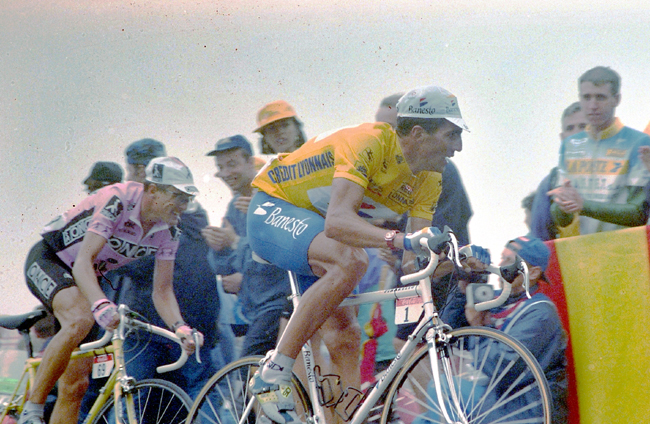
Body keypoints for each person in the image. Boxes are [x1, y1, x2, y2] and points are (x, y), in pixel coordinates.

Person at [245, 85, 479, 423]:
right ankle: (272, 374)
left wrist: (460, 264)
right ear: (417, 133)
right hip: (274, 208)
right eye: (452, 134)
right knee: (352, 260)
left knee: (346, 334)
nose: (458, 146)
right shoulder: (369, 142)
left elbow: (416, 260)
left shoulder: (429, 178)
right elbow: (339, 222)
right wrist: (400, 240)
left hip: (317, 232)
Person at [21, 156, 202, 424]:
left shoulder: (170, 231)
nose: (183, 206)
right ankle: (31, 411)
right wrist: (100, 304)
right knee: (81, 318)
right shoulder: (119, 200)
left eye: (187, 198)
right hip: (51, 259)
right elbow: (82, 261)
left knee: (76, 386)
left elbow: (162, 291)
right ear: (152, 190)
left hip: (84, 279)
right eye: (177, 196)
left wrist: (180, 327)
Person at [440, 236, 568, 423]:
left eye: (509, 261)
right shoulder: (496, 299)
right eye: (501, 258)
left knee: (441, 389)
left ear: (532, 273)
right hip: (500, 401)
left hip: (528, 411)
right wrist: (464, 286)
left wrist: (479, 328)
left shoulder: (540, 313)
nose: (500, 266)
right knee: (431, 408)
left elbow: (501, 370)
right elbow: (447, 334)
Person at [202, 135, 292, 358]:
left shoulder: (272, 194)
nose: (225, 173)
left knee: (250, 369)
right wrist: (219, 247)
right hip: (255, 306)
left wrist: (233, 242)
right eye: (220, 167)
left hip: (278, 302)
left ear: (251, 162)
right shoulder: (234, 206)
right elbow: (224, 269)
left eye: (232, 164)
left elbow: (271, 259)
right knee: (262, 377)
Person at [548, 66, 650, 235]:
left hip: (625, 253)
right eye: (586, 97)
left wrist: (583, 205)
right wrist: (562, 206)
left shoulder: (639, 142)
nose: (592, 105)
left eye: (600, 97)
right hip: (580, 254)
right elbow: (561, 221)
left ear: (616, 99)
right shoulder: (570, 145)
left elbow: (638, 214)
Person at [529, 102, 588, 240]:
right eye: (570, 128)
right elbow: (540, 240)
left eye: (583, 126)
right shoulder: (550, 183)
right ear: (562, 138)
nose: (576, 133)